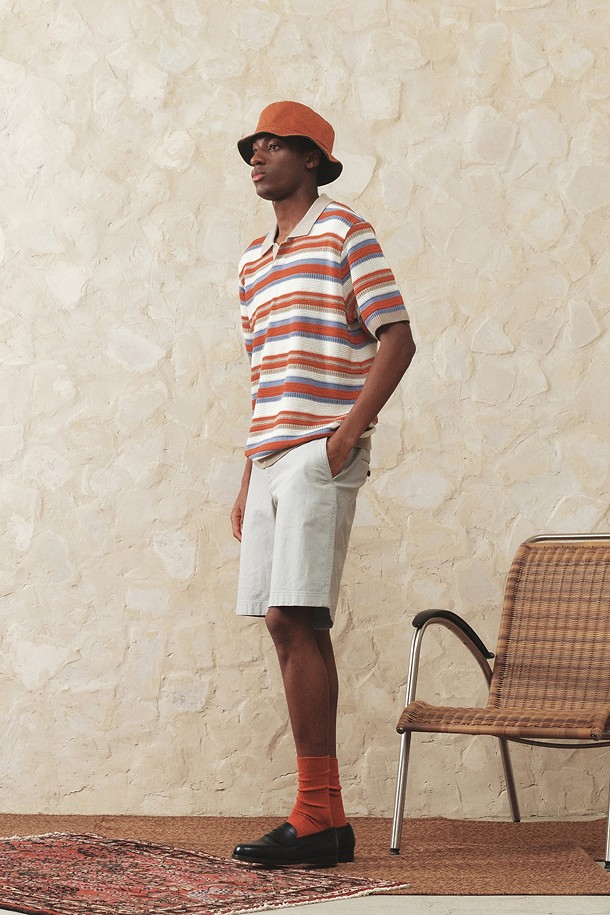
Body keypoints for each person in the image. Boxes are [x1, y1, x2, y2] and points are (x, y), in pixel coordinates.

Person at [230, 101, 415, 868]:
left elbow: (397, 336)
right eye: (253, 146)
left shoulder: (345, 232)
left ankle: (312, 814)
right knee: (285, 623)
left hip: (318, 453)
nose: (257, 155)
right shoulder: (252, 262)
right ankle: (326, 820)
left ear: (312, 159)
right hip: (270, 455)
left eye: (273, 145)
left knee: (294, 612)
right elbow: (263, 375)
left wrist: (343, 438)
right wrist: (247, 476)